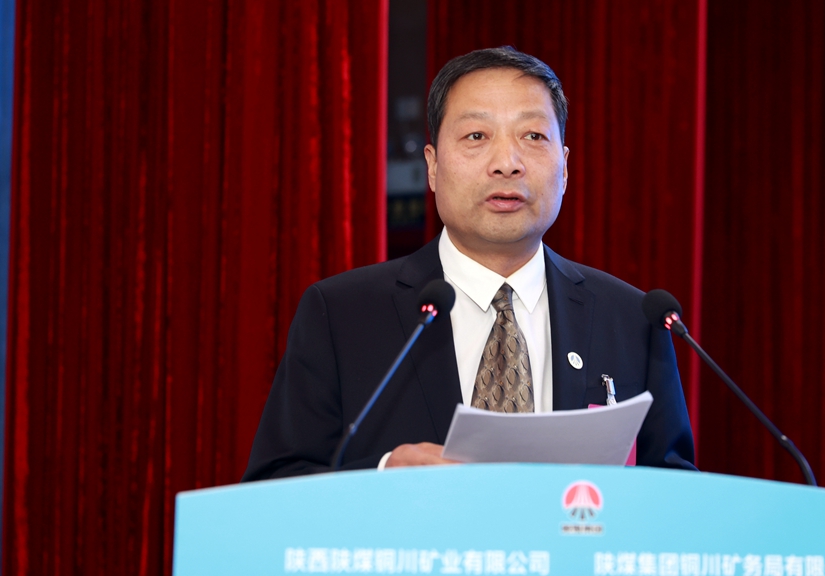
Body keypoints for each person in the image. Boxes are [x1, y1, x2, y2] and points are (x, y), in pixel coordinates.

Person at [242, 47, 695, 479]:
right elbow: (274, 485)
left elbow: (676, 493)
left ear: (564, 167)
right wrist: (380, 477)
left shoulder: (633, 320)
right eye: (476, 136)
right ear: (433, 165)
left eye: (533, 136)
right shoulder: (343, 315)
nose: (507, 163)